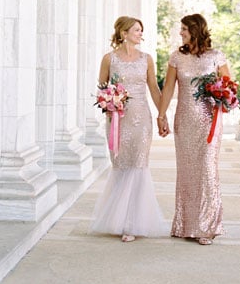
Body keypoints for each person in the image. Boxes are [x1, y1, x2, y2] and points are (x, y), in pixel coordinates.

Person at [89, 16, 167, 242]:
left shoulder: (147, 59)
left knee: (139, 163)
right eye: (136, 30)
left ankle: (133, 223)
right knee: (121, 163)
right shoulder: (109, 59)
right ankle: (120, 220)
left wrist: (162, 115)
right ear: (124, 33)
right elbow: (102, 89)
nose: (140, 34)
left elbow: (153, 88)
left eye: (141, 30)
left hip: (141, 118)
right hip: (117, 118)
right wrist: (109, 102)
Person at [156, 13, 230, 245]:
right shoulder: (177, 57)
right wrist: (161, 115)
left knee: (207, 170)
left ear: (196, 30)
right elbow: (168, 88)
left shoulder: (216, 56)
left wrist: (222, 97)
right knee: (187, 173)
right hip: (184, 120)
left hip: (209, 121)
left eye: (185, 29)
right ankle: (186, 225)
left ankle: (207, 226)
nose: (181, 33)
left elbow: (229, 87)